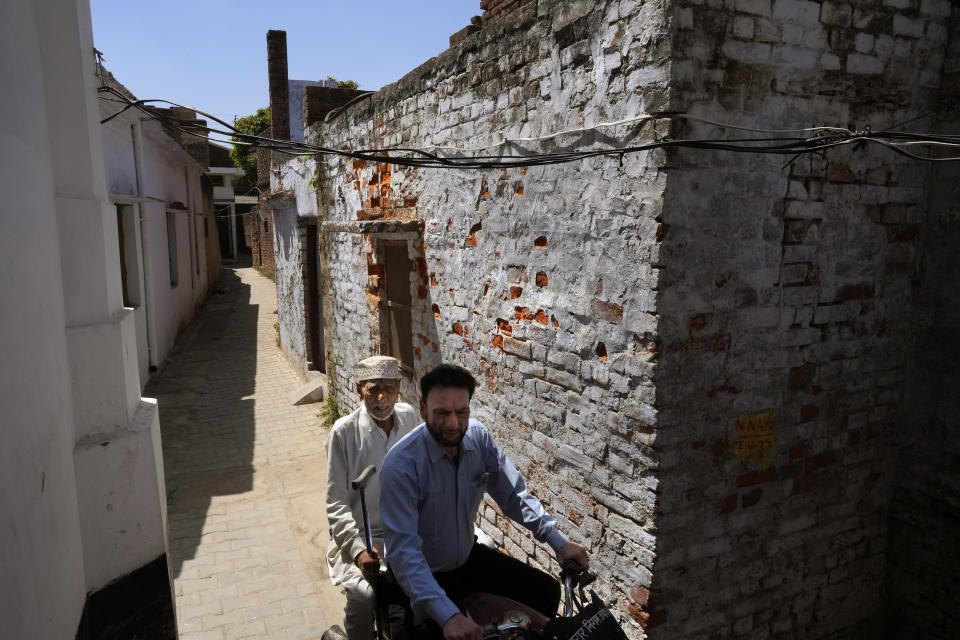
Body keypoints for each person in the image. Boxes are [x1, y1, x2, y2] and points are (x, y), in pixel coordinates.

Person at [380, 363, 589, 640]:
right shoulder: (400, 466)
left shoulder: (478, 438)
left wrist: (558, 541)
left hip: (467, 559)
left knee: (545, 591)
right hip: (420, 574)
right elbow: (404, 553)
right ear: (422, 409)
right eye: (442, 413)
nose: (453, 424)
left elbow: (513, 494)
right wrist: (449, 616)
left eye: (461, 412)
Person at [325, 356, 419, 640]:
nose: (382, 398)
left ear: (399, 388)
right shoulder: (344, 432)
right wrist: (357, 550)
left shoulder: (409, 417)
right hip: (365, 536)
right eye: (373, 389)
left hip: (406, 530)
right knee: (363, 597)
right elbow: (336, 502)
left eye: (389, 389)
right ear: (358, 389)